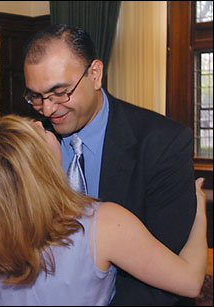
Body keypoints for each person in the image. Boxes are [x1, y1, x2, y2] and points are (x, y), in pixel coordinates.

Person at [21, 24, 197, 305]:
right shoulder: (30, 144)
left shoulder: (162, 142)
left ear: (94, 74)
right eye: (36, 97)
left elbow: (164, 272)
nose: (48, 109)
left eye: (60, 92)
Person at [0, 114, 207, 306]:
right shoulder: (102, 223)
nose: (41, 119)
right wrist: (198, 215)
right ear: (40, 164)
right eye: (39, 131)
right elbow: (190, 281)